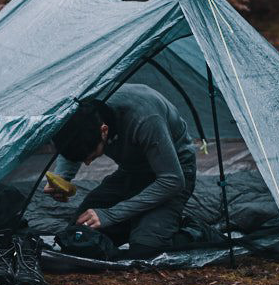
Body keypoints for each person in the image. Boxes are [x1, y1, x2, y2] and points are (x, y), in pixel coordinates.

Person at [49, 84, 197, 258]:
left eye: (90, 155)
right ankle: (139, 223)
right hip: (131, 171)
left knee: (145, 250)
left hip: (171, 174)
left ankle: (193, 231)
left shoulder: (145, 118)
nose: (87, 163)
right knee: (80, 236)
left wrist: (111, 214)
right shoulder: (83, 109)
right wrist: (61, 178)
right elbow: (74, 138)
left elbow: (172, 180)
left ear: (104, 131)